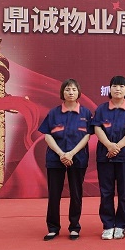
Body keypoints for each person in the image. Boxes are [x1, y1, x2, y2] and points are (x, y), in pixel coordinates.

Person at [38, 78, 93, 241]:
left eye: (74, 89)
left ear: (78, 92)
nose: (70, 92)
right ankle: (53, 227)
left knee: (76, 193)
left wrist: (71, 154)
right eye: (67, 89)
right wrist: (61, 153)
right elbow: (47, 135)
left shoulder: (85, 113)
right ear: (62, 92)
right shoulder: (53, 113)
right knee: (54, 194)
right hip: (56, 159)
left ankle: (74, 227)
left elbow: (87, 136)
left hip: (78, 158)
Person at [91, 76, 125, 240]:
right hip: (105, 156)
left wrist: (117, 146)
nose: (118, 89)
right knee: (106, 192)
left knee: (124, 192)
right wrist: (109, 145)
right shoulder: (101, 109)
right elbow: (97, 128)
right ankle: (107, 225)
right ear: (109, 89)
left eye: (121, 86)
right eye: (114, 86)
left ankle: (121, 225)